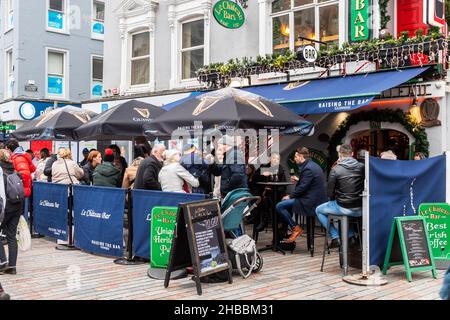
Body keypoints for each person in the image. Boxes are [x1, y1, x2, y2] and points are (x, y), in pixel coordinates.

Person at [315, 144, 365, 248]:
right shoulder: (362, 167)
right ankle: (351, 237)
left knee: (318, 210)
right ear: (352, 154)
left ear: (340, 154)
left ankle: (335, 236)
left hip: (344, 207)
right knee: (346, 212)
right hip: (361, 208)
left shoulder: (336, 169)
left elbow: (329, 193)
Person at [276, 147, 327, 243]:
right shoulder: (312, 165)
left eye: (295, 157)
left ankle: (295, 228)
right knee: (287, 205)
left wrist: (290, 196)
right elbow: (309, 183)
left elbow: (302, 188)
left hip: (310, 201)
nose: (294, 159)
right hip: (315, 198)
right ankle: (287, 229)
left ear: (301, 156)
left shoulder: (308, 168)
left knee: (280, 205)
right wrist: (299, 180)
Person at [255, 153, 289, 232]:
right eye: (274, 158)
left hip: (277, 193)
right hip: (265, 192)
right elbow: (254, 178)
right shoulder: (264, 167)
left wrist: (276, 190)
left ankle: (280, 226)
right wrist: (262, 174)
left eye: (278, 159)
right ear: (270, 159)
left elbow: (284, 185)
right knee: (266, 199)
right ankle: (265, 219)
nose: (276, 160)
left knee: (281, 201)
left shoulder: (281, 169)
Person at [0, 149, 19, 275]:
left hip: (4, 207)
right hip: (17, 206)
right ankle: (12, 267)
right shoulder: (14, 168)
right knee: (12, 236)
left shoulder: (1, 170)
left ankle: (2, 263)